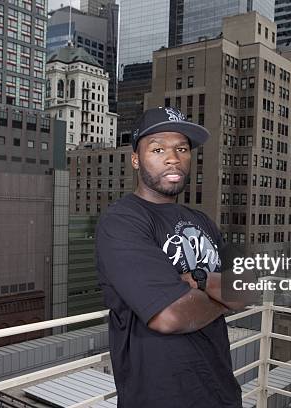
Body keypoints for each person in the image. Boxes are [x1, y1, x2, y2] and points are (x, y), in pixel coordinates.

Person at [95, 107, 246, 407]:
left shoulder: (203, 221)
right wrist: (222, 294)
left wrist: (199, 281)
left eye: (181, 148)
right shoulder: (122, 222)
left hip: (222, 393)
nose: (173, 158)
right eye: (158, 148)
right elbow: (170, 316)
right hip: (159, 397)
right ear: (136, 159)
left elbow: (245, 288)